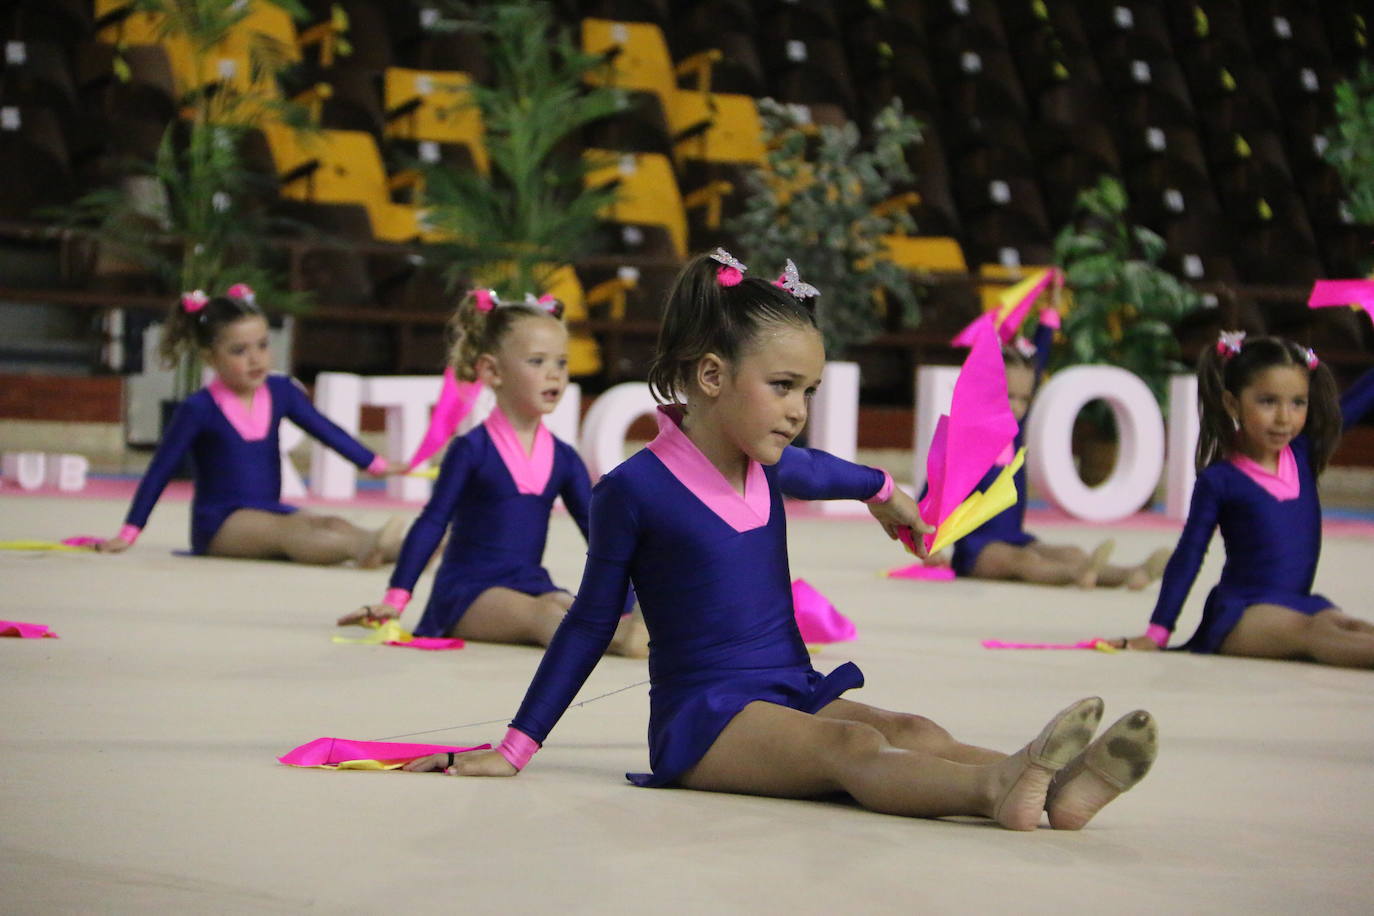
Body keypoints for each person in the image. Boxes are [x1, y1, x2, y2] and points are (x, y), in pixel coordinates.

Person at [405, 251, 1159, 831]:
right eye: (783, 386)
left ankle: (1057, 788)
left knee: (908, 728)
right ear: (711, 376)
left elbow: (830, 472)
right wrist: (515, 745)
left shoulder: (765, 463)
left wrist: (888, 494)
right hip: (705, 722)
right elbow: (590, 622)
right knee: (852, 752)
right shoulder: (633, 490)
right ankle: (997, 788)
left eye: (810, 392)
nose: (799, 411)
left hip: (788, 689)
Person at [338, 290, 647, 657]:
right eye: (537, 361)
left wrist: (628, 602)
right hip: (469, 594)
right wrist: (396, 599)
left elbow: (600, 538)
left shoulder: (563, 458)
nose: (554, 374)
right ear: (492, 371)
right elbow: (432, 522)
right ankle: (617, 640)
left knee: (564, 601)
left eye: (561, 363)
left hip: (529, 582)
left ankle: (633, 629)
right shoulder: (473, 449)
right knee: (543, 613)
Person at [99, 285, 406, 565]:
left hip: (268, 509)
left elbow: (326, 430)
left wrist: (375, 463)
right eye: (239, 351)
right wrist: (129, 531)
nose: (255, 359)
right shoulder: (199, 408)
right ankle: (366, 547)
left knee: (329, 524)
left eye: (262, 345)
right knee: (289, 532)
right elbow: (159, 472)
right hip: (222, 523)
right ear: (210, 357)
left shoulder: (281, 391)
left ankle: (399, 549)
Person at [1119, 332, 1374, 666]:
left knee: (1341, 623)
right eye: (1268, 401)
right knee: (1316, 632)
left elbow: (1358, 401)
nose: (1285, 417)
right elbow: (1189, 554)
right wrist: (1158, 632)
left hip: (1298, 604)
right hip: (1245, 616)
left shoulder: (1301, 453)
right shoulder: (1221, 479)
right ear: (1232, 403)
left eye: (1298, 402)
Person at [925, 314, 1170, 589]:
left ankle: (1130, 573)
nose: (1017, 407)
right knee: (1024, 561)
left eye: (1024, 399)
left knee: (1071, 553)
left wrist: (1049, 318)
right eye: (1009, 397)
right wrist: (928, 549)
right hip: (977, 549)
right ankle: (1077, 575)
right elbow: (929, 497)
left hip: (1016, 537)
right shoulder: (964, 440)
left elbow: (1035, 367)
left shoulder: (1014, 430)